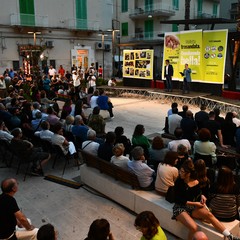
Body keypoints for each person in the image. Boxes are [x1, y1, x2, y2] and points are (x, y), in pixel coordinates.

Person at [172, 159, 239, 240]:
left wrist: (202, 196)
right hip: (180, 207)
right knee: (194, 228)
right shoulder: (179, 181)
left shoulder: (196, 181)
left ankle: (230, 236)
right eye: (180, 171)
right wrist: (195, 204)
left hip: (192, 208)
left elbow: (198, 194)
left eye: (182, 171)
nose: (180, 173)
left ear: (189, 173)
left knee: (209, 215)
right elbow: (177, 199)